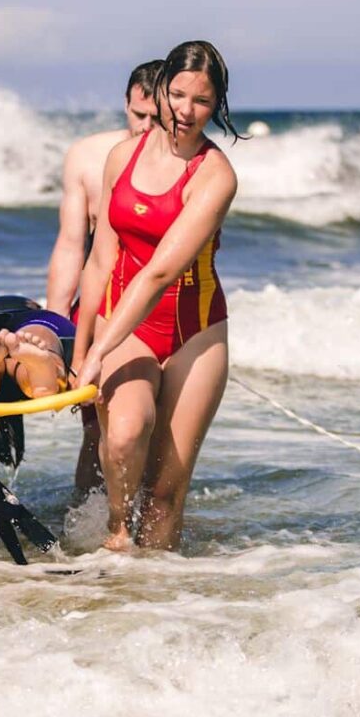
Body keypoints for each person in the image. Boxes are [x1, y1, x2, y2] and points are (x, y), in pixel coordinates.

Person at [72, 41, 240, 552]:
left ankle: (160, 603)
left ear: (218, 106)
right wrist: (81, 351)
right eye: (178, 94)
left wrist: (98, 351)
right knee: (124, 434)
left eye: (202, 101)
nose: (185, 111)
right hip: (125, 323)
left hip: (196, 331)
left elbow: (161, 271)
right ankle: (117, 538)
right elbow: (101, 259)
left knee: (166, 493)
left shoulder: (216, 176)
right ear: (162, 88)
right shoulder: (122, 156)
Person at [46, 60, 162, 494]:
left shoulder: (186, 163)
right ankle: (85, 522)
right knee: (97, 429)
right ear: (126, 106)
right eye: (138, 115)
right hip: (101, 306)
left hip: (161, 311)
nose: (146, 129)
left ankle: (146, 528)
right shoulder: (88, 156)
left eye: (157, 119)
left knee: (154, 430)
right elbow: (71, 244)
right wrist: (56, 321)